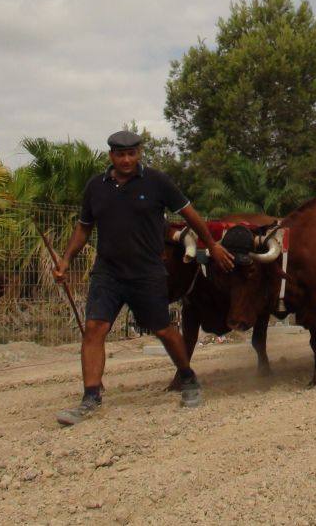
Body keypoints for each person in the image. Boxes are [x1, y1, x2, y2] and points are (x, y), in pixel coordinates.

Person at [52, 130, 235, 425]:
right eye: (120, 154)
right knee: (95, 329)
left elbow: (190, 214)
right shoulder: (95, 187)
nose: (126, 159)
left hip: (146, 272)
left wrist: (211, 245)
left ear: (139, 154)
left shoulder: (156, 182)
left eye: (132, 153)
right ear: (111, 155)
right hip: (107, 271)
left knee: (163, 330)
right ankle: (90, 397)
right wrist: (65, 259)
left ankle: (188, 378)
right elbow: (84, 227)